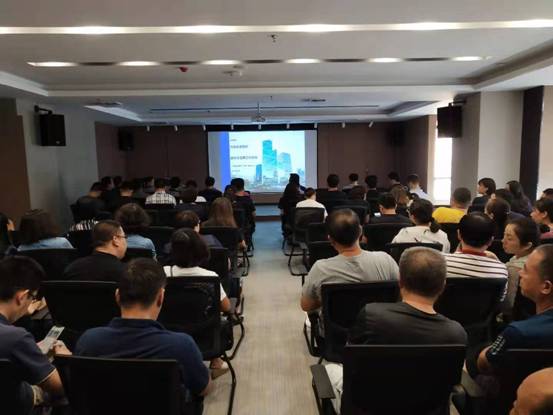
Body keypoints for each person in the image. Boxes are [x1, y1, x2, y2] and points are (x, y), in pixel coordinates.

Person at [325, 247, 467, 414]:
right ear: (443, 286)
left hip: (369, 407)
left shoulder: (372, 315)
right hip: (426, 409)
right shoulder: (456, 333)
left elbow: (350, 361)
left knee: (329, 369)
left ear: (400, 281)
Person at [75, 258, 212, 409]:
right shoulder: (181, 346)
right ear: (161, 297)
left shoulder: (88, 341)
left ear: (117, 296)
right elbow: (204, 389)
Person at [0, 256, 70, 413]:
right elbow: (60, 387)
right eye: (32, 297)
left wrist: (30, 352)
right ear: (22, 297)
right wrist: (66, 359)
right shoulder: (16, 338)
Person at [301, 209, 399, 315]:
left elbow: (306, 305)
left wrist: (326, 298)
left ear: (330, 239)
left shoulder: (320, 268)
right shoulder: (385, 260)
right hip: (381, 323)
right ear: (360, 231)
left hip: (338, 326)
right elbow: (402, 294)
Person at [477, 245, 553, 374]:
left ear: (546, 287)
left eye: (526, 270)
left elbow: (484, 364)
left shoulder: (518, 332)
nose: (520, 273)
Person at [443, 213, 508, 294]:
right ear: (490, 241)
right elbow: (500, 298)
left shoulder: (441, 263)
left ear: (459, 234)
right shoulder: (501, 271)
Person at [64, 220, 128, 282]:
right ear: (115, 240)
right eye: (124, 237)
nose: (126, 241)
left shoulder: (72, 268)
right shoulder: (126, 273)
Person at [501, 217, 540, 316]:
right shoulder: (536, 256)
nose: (503, 240)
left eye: (509, 238)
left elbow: (509, 305)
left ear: (527, 245)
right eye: (504, 235)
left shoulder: (516, 270)